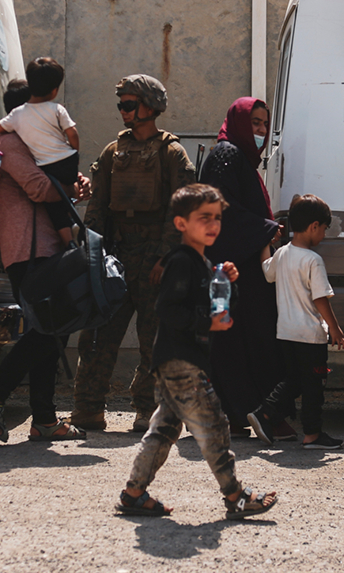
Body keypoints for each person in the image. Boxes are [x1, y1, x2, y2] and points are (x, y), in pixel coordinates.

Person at [115, 183, 278, 520]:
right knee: (215, 425)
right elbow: (168, 310)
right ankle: (235, 495)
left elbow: (219, 310)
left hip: (181, 359)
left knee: (164, 429)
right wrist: (207, 323)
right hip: (180, 360)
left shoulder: (204, 264)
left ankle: (134, 493)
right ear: (180, 224)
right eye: (204, 218)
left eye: (217, 218)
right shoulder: (181, 261)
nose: (213, 224)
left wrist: (228, 283)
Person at [71, 75, 194, 434]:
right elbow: (98, 206)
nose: (123, 111)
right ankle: (88, 408)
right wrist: (92, 251)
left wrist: (166, 256)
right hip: (117, 254)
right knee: (98, 332)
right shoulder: (114, 152)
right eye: (120, 104)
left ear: (151, 107)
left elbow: (181, 210)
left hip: (156, 254)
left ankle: (148, 409)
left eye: (129, 104)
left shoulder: (172, 153)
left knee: (153, 338)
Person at [0, 80, 90, 443]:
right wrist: (69, 189)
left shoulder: (31, 142)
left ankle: (45, 419)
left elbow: (55, 181)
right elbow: (38, 187)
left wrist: (77, 185)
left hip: (47, 249)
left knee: (52, 331)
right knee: (46, 330)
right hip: (27, 250)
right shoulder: (9, 145)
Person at [199, 97, 292, 440]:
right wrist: (266, 229)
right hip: (232, 267)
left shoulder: (238, 158)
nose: (261, 131)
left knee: (236, 341)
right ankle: (259, 412)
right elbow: (221, 209)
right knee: (248, 339)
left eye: (264, 124)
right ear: (239, 122)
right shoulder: (227, 155)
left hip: (239, 263)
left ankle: (235, 415)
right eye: (254, 123)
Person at [246, 194, 344, 450]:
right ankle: (312, 434)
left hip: (286, 334)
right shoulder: (313, 260)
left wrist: (265, 243)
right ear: (314, 226)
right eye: (324, 229)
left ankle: (265, 411)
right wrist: (334, 328)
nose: (324, 234)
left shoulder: (282, 254)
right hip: (310, 336)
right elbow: (321, 298)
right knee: (315, 385)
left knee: (294, 380)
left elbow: (266, 272)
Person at [0, 57, 79, 245]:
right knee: (59, 202)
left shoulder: (17, 117)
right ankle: (71, 232)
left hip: (50, 166)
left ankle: (68, 241)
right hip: (68, 160)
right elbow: (72, 133)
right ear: (54, 90)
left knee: (55, 207)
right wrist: (74, 152)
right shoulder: (57, 109)